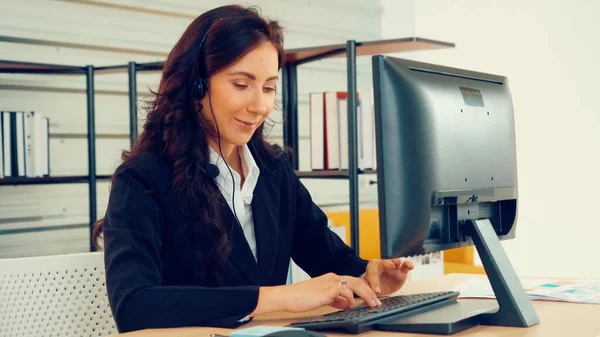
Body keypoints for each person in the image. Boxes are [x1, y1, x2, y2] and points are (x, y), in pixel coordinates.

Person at [93, 4, 415, 334]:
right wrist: (278, 298)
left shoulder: (273, 171)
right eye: (241, 84)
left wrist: (368, 273)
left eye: (268, 87)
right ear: (197, 87)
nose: (259, 105)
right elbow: (134, 306)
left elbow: (330, 259)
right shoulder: (142, 180)